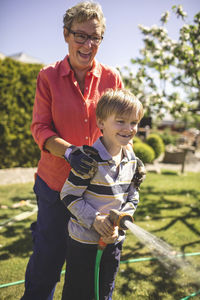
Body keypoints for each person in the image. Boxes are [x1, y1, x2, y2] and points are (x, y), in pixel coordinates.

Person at [21, 2, 123, 300]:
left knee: (85, 267)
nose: (88, 44)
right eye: (80, 35)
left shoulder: (111, 78)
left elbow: (119, 126)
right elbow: (40, 128)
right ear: (66, 34)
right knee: (47, 263)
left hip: (94, 191)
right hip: (54, 185)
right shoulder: (48, 76)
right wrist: (70, 152)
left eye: (96, 37)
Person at [60, 88, 144, 300]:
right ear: (101, 123)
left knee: (104, 291)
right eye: (121, 121)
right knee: (78, 294)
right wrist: (95, 219)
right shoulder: (89, 160)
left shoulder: (132, 161)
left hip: (114, 242)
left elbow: (133, 196)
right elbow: (69, 195)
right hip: (84, 243)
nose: (129, 128)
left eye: (133, 122)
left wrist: (121, 220)